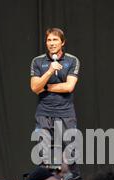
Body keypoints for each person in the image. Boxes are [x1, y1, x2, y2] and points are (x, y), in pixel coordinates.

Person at [30, 28, 80, 168]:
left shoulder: (72, 60)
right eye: (49, 40)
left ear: (62, 42)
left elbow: (69, 87)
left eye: (55, 40)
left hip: (66, 114)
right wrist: (50, 71)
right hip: (44, 114)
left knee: (70, 156)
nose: (52, 43)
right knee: (41, 156)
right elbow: (34, 87)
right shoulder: (38, 62)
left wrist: (45, 87)